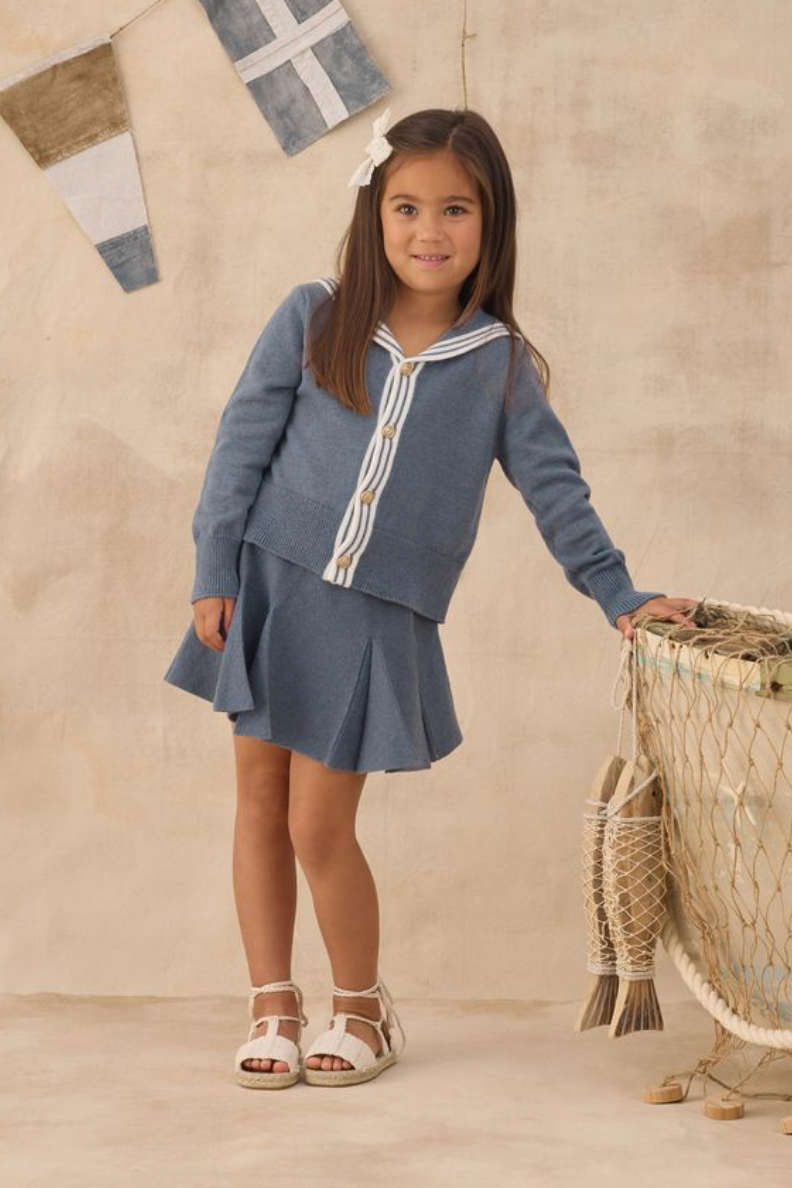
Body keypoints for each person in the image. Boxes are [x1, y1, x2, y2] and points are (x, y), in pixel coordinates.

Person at [163, 106, 698, 1090]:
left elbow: (557, 493)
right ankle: (272, 1001)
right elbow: (239, 449)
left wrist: (619, 593)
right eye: (406, 207)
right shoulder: (316, 314)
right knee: (259, 804)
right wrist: (214, 569)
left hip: (370, 620)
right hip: (270, 589)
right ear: (374, 214)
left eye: (456, 209)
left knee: (318, 826)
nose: (428, 231)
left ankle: (363, 1006)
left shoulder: (498, 366)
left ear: (492, 224)